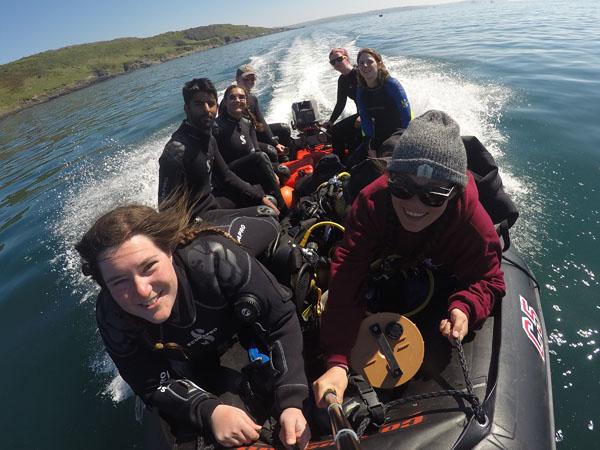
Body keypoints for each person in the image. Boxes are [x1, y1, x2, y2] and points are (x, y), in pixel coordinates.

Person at [75, 200, 311, 449]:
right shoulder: (112, 314)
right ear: (106, 287)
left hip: (234, 264)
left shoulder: (214, 258)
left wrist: (291, 400)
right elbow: (147, 381)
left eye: (149, 267)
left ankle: (230, 212)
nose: (142, 291)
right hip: (198, 346)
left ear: (169, 250)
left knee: (273, 234)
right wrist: (210, 411)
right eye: (119, 282)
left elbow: (281, 319)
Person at [313, 110, 506, 406]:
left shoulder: (471, 223)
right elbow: (348, 275)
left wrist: (466, 306)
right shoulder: (371, 203)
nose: (415, 205)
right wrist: (337, 360)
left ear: (454, 193)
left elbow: (489, 277)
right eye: (402, 188)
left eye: (434, 195)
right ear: (389, 179)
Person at [157, 78, 278, 218]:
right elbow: (165, 207)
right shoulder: (176, 151)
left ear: (217, 107)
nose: (206, 109)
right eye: (198, 104)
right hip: (196, 219)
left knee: (265, 194)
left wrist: (259, 197)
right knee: (267, 213)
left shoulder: (209, 139)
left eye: (211, 103)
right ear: (187, 108)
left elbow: (226, 175)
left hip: (212, 202)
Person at [214, 84, 287, 210]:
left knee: (283, 171)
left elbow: (255, 150)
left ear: (246, 101)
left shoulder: (248, 123)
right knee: (259, 158)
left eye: (241, 97)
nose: (237, 100)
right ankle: (283, 209)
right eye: (232, 98)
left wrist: (270, 172)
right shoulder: (217, 128)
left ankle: (271, 194)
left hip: (249, 168)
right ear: (225, 103)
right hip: (231, 173)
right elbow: (220, 169)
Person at [355, 48, 412, 157]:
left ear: (379, 64)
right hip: (379, 132)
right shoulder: (361, 91)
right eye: (361, 63)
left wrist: (406, 138)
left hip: (399, 130)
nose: (365, 65)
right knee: (354, 160)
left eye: (369, 61)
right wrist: (370, 144)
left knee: (387, 149)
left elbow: (406, 115)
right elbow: (365, 119)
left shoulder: (391, 85)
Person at [236, 64, 292, 154]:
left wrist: (275, 142)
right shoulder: (230, 102)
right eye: (246, 79)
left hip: (255, 132)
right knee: (271, 150)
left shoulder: (252, 99)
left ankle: (285, 157)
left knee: (284, 129)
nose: (250, 81)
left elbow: (261, 121)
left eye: (252, 79)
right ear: (237, 79)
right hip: (242, 139)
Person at [322, 48, 362, 160]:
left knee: (354, 136)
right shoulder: (342, 80)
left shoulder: (360, 72)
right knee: (335, 130)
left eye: (339, 59)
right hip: (360, 116)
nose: (336, 63)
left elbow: (372, 96)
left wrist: (364, 115)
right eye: (333, 62)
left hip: (370, 113)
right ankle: (339, 163)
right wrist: (331, 121)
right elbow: (340, 103)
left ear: (347, 58)